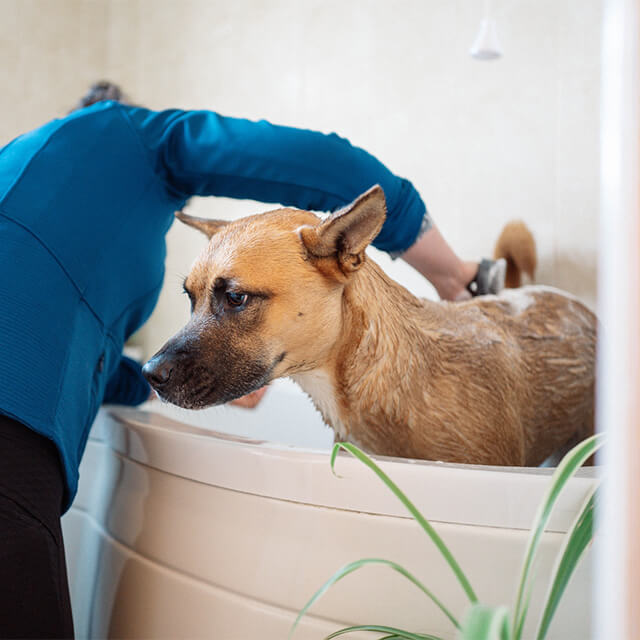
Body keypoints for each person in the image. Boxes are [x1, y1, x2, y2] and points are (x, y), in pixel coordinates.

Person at [0, 81, 503, 638]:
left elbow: (83, 357)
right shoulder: (130, 134)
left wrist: (155, 382)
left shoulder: (33, 187)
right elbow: (323, 162)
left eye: (235, 298)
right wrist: (454, 273)